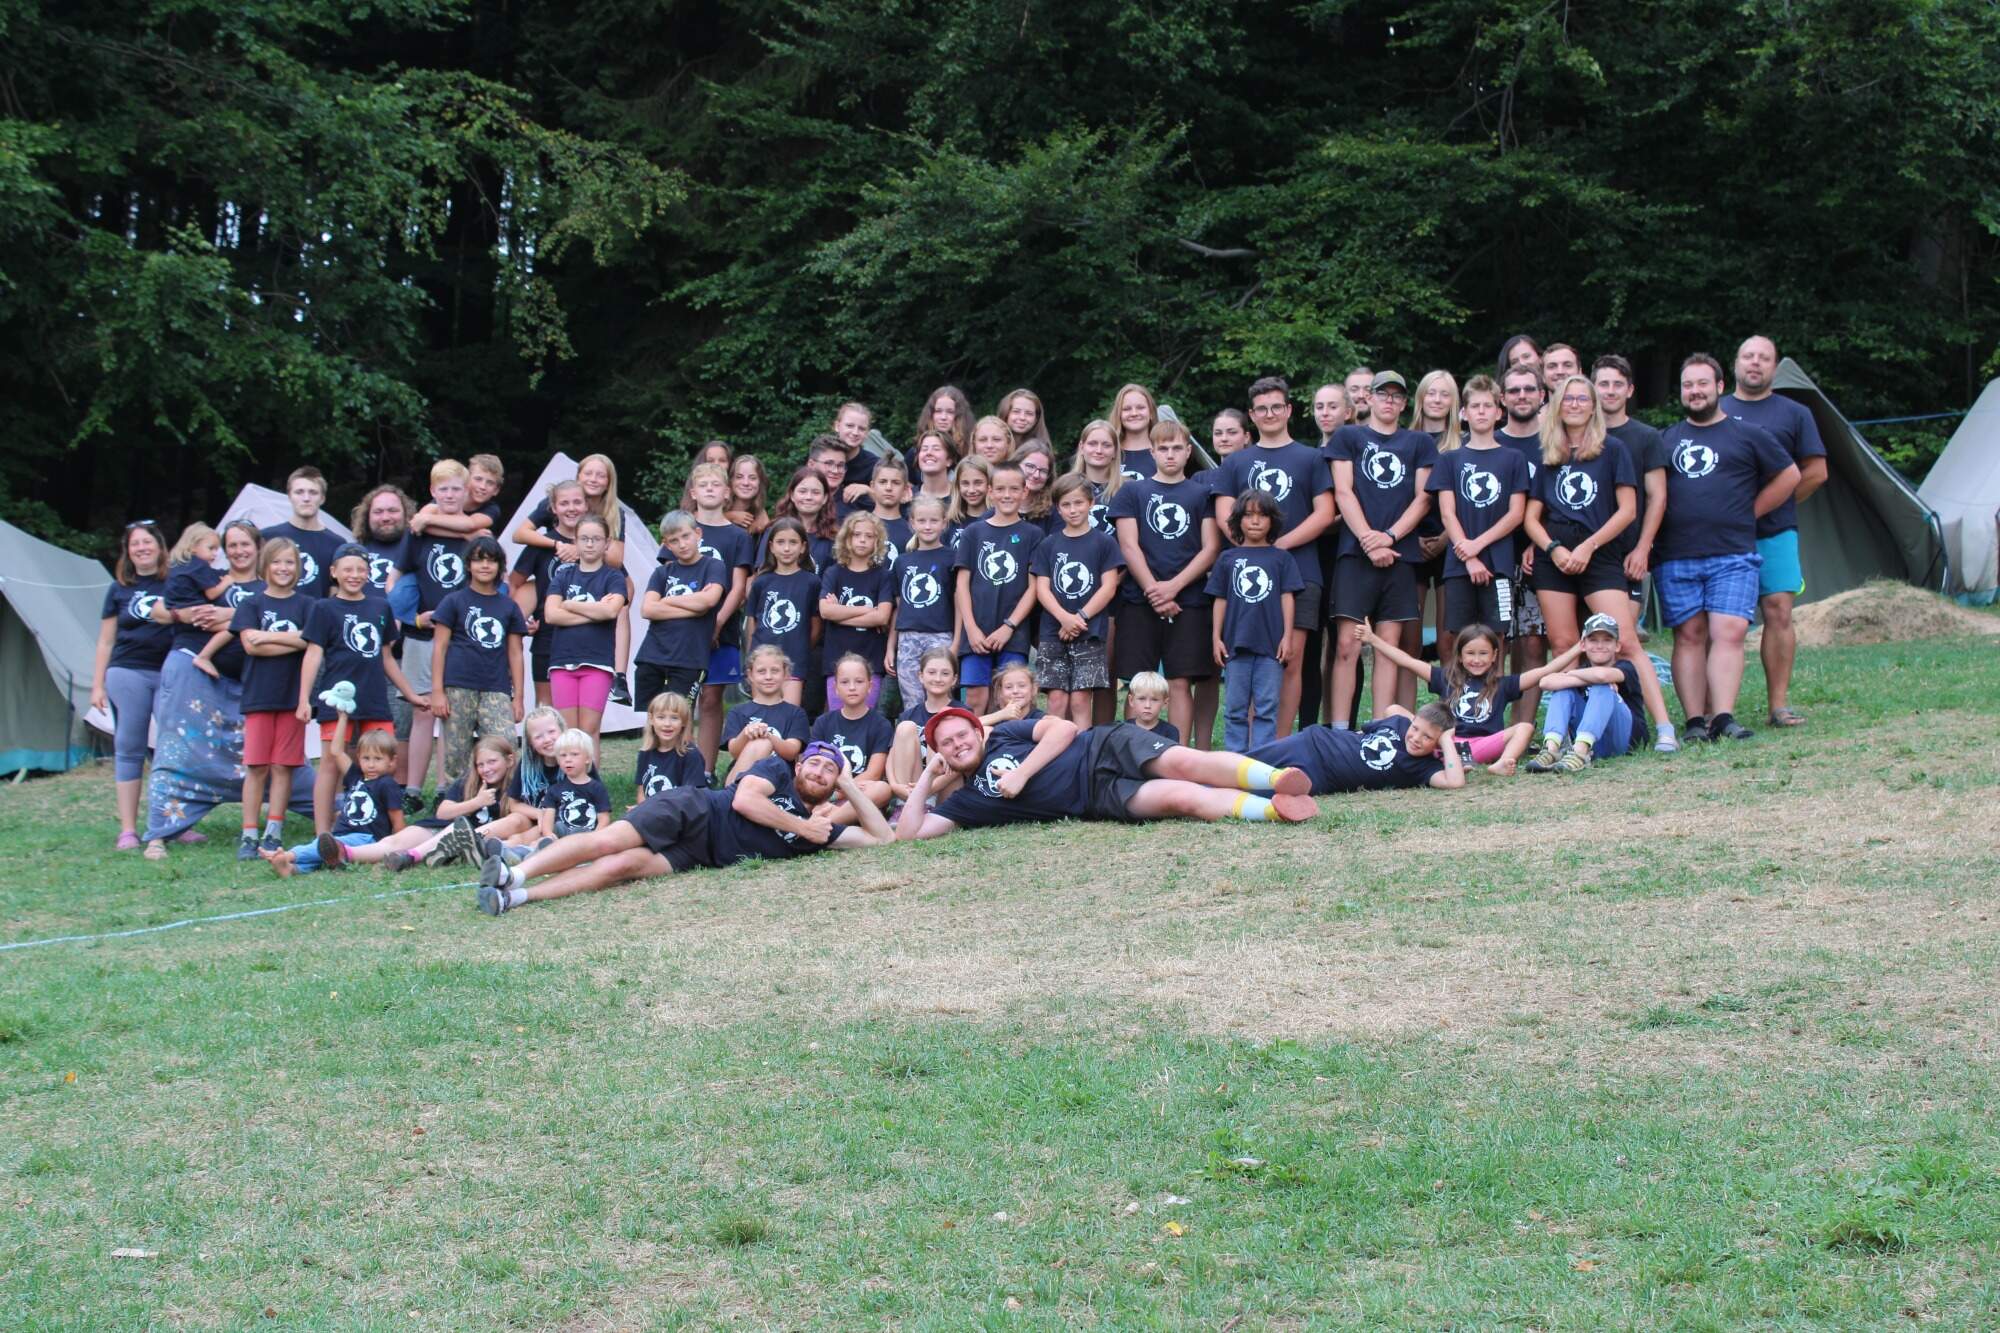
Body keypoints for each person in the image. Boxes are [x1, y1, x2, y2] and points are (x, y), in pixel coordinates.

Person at [475, 743, 895, 914]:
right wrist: (801, 827)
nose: (819, 771)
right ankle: (516, 872)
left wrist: (848, 785)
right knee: (608, 842)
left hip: (700, 854)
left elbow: (883, 838)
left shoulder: (823, 829)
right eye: (814, 763)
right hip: (694, 810)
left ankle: (514, 897)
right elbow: (745, 800)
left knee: (620, 867)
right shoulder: (778, 772)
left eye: (829, 771)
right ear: (799, 765)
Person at [896, 707, 1319, 840]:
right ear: (940, 753)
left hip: (1102, 746)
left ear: (977, 731)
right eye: (946, 743)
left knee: (1186, 763)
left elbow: (1064, 729)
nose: (957, 744)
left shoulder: (1006, 734)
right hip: (1097, 798)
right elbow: (909, 834)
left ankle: (1276, 780)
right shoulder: (968, 801)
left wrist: (1022, 773)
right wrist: (929, 777)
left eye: (962, 734)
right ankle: (1275, 810)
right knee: (1181, 798)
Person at [1656, 354, 1800, 741]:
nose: (1695, 391)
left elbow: (1790, 475)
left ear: (1720, 387)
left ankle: (1723, 716)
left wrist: (1751, 512)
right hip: (1677, 554)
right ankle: (1694, 722)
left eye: (1703, 383)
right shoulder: (1665, 439)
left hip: (1733, 553)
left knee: (1730, 631)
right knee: (1688, 635)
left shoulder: (1748, 434)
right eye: (1688, 385)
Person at [1213, 377, 1334, 739]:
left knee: (1289, 659)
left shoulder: (1311, 458)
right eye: (1262, 409)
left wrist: (1276, 547)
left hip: (1301, 572)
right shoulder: (1236, 462)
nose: (1269, 414)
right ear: (1252, 415)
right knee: (1250, 661)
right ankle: (1249, 748)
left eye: (1276, 407)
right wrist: (1256, 550)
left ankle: (1277, 747)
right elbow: (1224, 513)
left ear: (1288, 410)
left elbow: (1324, 513)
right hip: (1246, 580)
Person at [1721, 334, 1829, 728]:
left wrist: (1773, 503)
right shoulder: (1715, 409)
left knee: (1779, 611)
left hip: (1776, 531)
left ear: (1774, 366)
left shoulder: (1795, 413)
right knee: (1718, 621)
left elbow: (1816, 472)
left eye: (1764, 358)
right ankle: (1715, 710)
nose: (1755, 363)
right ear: (1735, 363)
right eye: (1748, 355)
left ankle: (1778, 706)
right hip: (1720, 535)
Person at [1327, 370, 1436, 723]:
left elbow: (1424, 499)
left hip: (1400, 555)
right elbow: (1343, 492)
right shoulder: (1348, 437)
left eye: (1396, 396)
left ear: (1404, 403)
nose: (1389, 401)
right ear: (1369, 398)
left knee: (1388, 647)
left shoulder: (1419, 442)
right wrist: (1368, 540)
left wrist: (1389, 537)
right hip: (1354, 555)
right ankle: (1341, 732)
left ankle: (1381, 728)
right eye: (1383, 394)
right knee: (1347, 645)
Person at [1110, 419, 1223, 749]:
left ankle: (1180, 754)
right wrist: (1154, 590)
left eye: (1176, 448)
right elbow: (1128, 546)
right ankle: (1135, 752)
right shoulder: (1132, 492)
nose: (1170, 454)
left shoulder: (1202, 494)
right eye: (1163, 448)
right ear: (1152, 452)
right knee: (1139, 682)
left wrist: (1173, 587)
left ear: (1188, 452)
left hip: (1189, 601)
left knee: (1180, 681)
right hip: (1139, 599)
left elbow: (1211, 548)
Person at [1354, 619, 1585, 775]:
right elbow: (1407, 661)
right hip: (1443, 742)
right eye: (1470, 653)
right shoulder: (1445, 678)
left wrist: (1577, 648)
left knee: (1525, 727)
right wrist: (1373, 640)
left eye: (1483, 653)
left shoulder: (1503, 685)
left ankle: (1501, 764)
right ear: (1460, 656)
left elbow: (1544, 671)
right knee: (1393, 710)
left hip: (1482, 746)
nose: (1476, 659)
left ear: (1494, 656)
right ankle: (1447, 760)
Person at [299, 544, 423, 833]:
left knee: (382, 762)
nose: (354, 575)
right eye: (348, 570)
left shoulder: (380, 606)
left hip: (374, 697)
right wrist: (304, 699)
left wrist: (410, 694)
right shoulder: (323, 608)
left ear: (369, 573)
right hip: (337, 699)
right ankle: (323, 832)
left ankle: (382, 828)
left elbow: (387, 657)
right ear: (334, 572)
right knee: (331, 762)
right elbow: (313, 654)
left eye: (360, 570)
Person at [1593, 356, 1676, 753]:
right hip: (1582, 559)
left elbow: (1657, 497)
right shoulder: (1575, 435)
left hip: (1626, 557)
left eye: (1616, 384)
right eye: (1602, 383)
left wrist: (1643, 547)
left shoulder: (1645, 437)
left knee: (1625, 643)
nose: (1609, 391)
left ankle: (1660, 727)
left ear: (1629, 390)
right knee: (1585, 644)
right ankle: (1598, 728)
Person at [215, 538, 309, 857]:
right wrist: (294, 640)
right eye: (277, 562)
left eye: (289, 562)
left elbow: (311, 642)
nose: (283, 568)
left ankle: (273, 831)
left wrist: (268, 635)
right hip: (259, 695)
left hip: (292, 696)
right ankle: (249, 834)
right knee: (256, 766)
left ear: (298, 567)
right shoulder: (251, 605)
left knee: (283, 766)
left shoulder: (307, 605)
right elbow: (251, 646)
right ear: (265, 566)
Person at [1429, 374, 1529, 659]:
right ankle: (1460, 690)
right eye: (1475, 406)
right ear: (1463, 413)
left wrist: (1477, 546)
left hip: (1499, 565)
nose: (1482, 412)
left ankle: (1494, 690)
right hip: (1459, 565)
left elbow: (1516, 514)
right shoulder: (1449, 459)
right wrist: (1469, 556)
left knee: (1497, 638)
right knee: (1458, 638)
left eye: (1488, 406)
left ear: (1499, 412)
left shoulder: (1514, 458)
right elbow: (1447, 513)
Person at [93, 521, 174, 849]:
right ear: (128, 551)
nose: (142, 548)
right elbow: (105, 641)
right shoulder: (118, 589)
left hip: (168, 673)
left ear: (159, 547)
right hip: (127, 673)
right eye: (135, 544)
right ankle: (128, 829)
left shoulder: (175, 582)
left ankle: (174, 823)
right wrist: (97, 686)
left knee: (172, 748)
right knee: (130, 746)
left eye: (147, 542)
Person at [402, 459, 476, 807]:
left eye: (455, 489)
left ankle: (448, 787)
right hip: (423, 633)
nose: (449, 495)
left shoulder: (475, 534)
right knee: (422, 710)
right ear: (432, 491)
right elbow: (399, 580)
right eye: (443, 489)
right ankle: (412, 790)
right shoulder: (418, 533)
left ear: (466, 492)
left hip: (460, 636)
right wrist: (412, 617)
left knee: (452, 711)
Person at [1208, 490, 1302, 752]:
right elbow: (1220, 599)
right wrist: (1216, 637)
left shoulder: (1282, 558)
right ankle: (1235, 761)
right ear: (1238, 520)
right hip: (1235, 647)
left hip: (1271, 647)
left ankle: (1262, 760)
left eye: (1262, 515)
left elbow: (1287, 597)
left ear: (1273, 521)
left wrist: (1287, 636)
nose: (1255, 521)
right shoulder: (1227, 559)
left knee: (1266, 709)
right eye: (1248, 515)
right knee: (1234, 709)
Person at [429, 535, 528, 785]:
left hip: (496, 687)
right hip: (458, 686)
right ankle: (458, 802)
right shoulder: (453, 601)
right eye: (478, 560)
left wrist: (518, 697)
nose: (485, 565)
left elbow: (515, 653)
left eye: (491, 561)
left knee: (505, 745)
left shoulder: (509, 607)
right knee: (457, 753)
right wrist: (437, 692)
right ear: (468, 565)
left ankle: (504, 800)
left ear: (500, 566)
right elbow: (439, 648)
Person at [1032, 474, 1125, 724]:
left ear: (1091, 503)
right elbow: (1042, 589)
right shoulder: (1048, 544)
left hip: (1090, 631)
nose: (1073, 510)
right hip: (1053, 631)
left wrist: (1080, 617)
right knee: (1057, 700)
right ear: (1057, 508)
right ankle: (1054, 745)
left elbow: (1109, 587)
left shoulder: (1105, 543)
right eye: (1066, 504)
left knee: (1080, 700)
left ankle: (1082, 748)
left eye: (1078, 503)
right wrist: (1064, 618)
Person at [263, 709, 402, 876]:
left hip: (366, 838)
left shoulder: (387, 784)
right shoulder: (355, 776)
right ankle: (293, 869)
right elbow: (336, 751)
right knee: (324, 855)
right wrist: (342, 718)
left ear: (391, 761)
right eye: (366, 758)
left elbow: (397, 820)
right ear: (359, 757)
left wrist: (399, 845)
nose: (371, 765)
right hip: (341, 835)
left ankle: (288, 856)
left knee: (322, 846)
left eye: (378, 759)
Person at [356, 734, 518, 872]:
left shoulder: (517, 786)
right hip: (441, 827)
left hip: (472, 838)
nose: (486, 769)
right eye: (480, 765)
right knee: (392, 842)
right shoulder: (469, 781)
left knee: (454, 832)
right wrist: (476, 802)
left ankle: (410, 857)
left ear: (509, 761)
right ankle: (347, 853)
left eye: (492, 762)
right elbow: (443, 813)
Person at [953, 459, 1040, 712]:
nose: (1007, 495)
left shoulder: (1033, 534)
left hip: (1014, 633)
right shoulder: (973, 533)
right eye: (1000, 489)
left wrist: (1009, 626)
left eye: (1014, 489)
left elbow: (1034, 587)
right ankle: (975, 738)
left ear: (1025, 491)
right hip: (976, 631)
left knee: (1012, 696)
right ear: (990, 492)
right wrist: (971, 629)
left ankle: (1008, 738)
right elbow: (962, 585)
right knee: (975, 696)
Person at [687, 461, 756, 761]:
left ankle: (705, 769)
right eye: (703, 485)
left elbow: (738, 587)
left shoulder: (738, 536)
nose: (709, 490)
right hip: (683, 629)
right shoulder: (683, 528)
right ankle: (679, 766)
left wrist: (715, 623)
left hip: (722, 627)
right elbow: (670, 579)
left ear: (727, 493)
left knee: (711, 698)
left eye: (715, 485)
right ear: (693, 493)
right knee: (682, 699)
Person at [1524, 613, 1653, 772]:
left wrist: (1569, 676)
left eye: (1607, 640)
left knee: (1602, 687)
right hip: (1595, 743)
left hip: (1623, 740)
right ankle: (1551, 748)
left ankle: (1580, 752)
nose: (1600, 645)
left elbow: (1602, 676)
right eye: (1593, 640)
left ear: (1617, 646)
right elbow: (1545, 682)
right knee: (1563, 691)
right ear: (1583, 645)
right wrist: (1578, 676)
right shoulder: (1582, 671)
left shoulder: (1626, 667)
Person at [1496, 364, 1553, 721]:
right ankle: (1487, 730)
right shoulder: (1488, 441)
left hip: (1538, 556)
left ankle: (1523, 728)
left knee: (1533, 643)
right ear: (1502, 399)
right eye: (1514, 390)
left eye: (1529, 389)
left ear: (1542, 395)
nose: (1522, 396)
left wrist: (1539, 539)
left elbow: (1562, 501)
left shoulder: (1554, 443)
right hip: (1494, 558)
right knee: (1493, 643)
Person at [1248, 702, 1466, 794]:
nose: (1416, 738)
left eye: (1427, 737)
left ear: (1438, 742)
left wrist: (1446, 741)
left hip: (1322, 776)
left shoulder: (1423, 767)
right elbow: (1393, 709)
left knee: (1257, 789)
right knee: (1245, 762)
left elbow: (1454, 782)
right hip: (1313, 742)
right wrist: (1421, 723)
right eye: (1416, 728)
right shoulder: (1400, 724)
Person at [543, 514, 628, 750]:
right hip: (562, 662)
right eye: (584, 539)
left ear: (607, 543)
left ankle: (591, 775)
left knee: (589, 730)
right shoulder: (563, 575)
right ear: (575, 541)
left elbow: (611, 611)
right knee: (568, 732)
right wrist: (595, 609)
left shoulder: (613, 577)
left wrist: (570, 604)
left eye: (596, 539)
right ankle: (569, 775)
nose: (590, 544)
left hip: (597, 662)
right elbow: (551, 615)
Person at [509, 479, 587, 709]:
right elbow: (513, 584)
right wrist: (519, 620)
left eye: (577, 502)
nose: (571, 508)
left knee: (579, 708)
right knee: (546, 709)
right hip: (547, 637)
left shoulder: (595, 543)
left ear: (587, 506)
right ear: (553, 508)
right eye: (564, 503)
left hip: (587, 635)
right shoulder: (539, 545)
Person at [818, 512, 895, 711]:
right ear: (847, 538)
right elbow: (825, 611)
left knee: (865, 716)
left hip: (871, 659)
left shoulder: (883, 576)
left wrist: (839, 614)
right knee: (838, 715)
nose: (862, 540)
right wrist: (865, 610)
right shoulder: (833, 573)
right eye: (857, 534)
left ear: (877, 541)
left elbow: (882, 617)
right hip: (836, 658)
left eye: (869, 536)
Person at [888, 495, 956, 704]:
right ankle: (913, 726)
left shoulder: (952, 558)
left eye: (934, 521)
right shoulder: (902, 562)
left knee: (940, 695)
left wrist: (956, 643)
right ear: (912, 523)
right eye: (922, 521)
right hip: (908, 638)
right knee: (911, 699)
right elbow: (899, 607)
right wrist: (891, 647)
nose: (927, 526)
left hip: (941, 635)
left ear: (944, 523)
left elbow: (960, 604)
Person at [745, 517, 819, 706]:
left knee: (788, 714)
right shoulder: (761, 582)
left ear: (803, 547)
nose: (786, 548)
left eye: (793, 542)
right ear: (771, 546)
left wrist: (801, 648)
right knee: (762, 713)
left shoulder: (812, 582)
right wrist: (751, 658)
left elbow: (816, 627)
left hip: (794, 660)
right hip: (762, 660)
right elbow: (753, 623)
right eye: (780, 542)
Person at [811, 653, 895, 809]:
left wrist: (839, 794)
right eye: (844, 682)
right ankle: (831, 814)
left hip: (860, 793)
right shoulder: (823, 722)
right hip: (827, 789)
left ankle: (829, 816)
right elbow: (814, 766)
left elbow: (874, 773)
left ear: (870, 686)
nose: (852, 687)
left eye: (859, 681)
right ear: (835, 688)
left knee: (882, 789)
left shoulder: (881, 725)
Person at [722, 645, 811, 782]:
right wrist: (746, 733)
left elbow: (792, 752)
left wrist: (767, 736)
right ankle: (733, 792)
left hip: (779, 780)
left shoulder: (796, 713)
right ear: (750, 675)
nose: (768, 677)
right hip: (742, 776)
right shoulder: (737, 712)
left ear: (786, 674)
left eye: (775, 671)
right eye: (761, 671)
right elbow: (734, 752)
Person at [261, 467, 344, 600]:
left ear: (322, 498)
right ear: (289, 496)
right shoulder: (267, 537)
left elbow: (336, 593)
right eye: (299, 492)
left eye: (313, 492)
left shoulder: (337, 544)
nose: (306, 498)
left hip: (316, 612)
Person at [888, 646, 959, 802]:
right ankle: (903, 805)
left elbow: (963, 763)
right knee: (905, 727)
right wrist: (894, 785)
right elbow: (892, 755)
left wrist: (926, 790)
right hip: (912, 785)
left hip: (943, 787)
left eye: (945, 673)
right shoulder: (909, 715)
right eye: (931, 672)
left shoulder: (962, 711)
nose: (938, 679)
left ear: (954, 679)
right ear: (921, 676)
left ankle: (927, 804)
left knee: (941, 721)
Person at [538, 728, 612, 840]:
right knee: (558, 827)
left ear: (587, 758)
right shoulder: (554, 790)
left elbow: (604, 819)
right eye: (563, 755)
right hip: (561, 836)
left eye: (574, 754)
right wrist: (548, 834)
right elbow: (547, 819)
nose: (568, 759)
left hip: (588, 836)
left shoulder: (597, 788)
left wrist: (595, 837)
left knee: (580, 832)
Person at [633, 691, 707, 801]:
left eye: (674, 718)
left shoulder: (691, 755)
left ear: (684, 721)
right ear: (651, 719)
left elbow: (691, 799)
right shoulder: (645, 753)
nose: (667, 724)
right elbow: (641, 793)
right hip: (651, 810)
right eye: (661, 717)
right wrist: (641, 808)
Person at [350, 484, 413, 597]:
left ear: (406, 514)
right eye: (378, 512)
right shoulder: (352, 554)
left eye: (392, 511)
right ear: (367, 516)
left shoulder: (419, 551)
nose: (385, 518)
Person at [771, 467, 839, 572]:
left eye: (815, 492)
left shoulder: (835, 538)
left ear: (825, 498)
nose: (808, 497)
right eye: (802, 491)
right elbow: (762, 574)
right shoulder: (774, 532)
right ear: (792, 495)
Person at [866, 458, 913, 563]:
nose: (888, 487)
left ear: (905, 489)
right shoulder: (859, 526)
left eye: (896, 483)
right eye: (882, 482)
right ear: (872, 486)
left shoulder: (912, 531)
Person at [1111, 383, 1159, 480]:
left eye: (1140, 407)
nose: (1134, 413)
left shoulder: (1165, 453)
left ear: (1151, 413)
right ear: (1118, 415)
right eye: (1127, 409)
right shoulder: (1108, 452)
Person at [915, 385, 975, 460]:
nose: (943, 417)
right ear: (930, 415)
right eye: (938, 411)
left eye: (950, 412)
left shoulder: (970, 452)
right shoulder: (916, 452)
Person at [1123, 671, 1180, 743]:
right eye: (1142, 699)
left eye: (1154, 700)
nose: (1148, 705)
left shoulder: (1170, 732)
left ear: (1165, 703)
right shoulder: (1123, 730)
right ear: (1131, 700)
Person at [725, 454, 771, 538]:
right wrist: (728, 516)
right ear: (731, 480)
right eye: (739, 477)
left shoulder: (762, 519)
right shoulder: (717, 506)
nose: (746, 483)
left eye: (752, 478)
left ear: (760, 482)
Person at [998, 388, 1052, 453]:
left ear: (1036, 418)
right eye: (1016, 411)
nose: (1022, 417)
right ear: (1005, 413)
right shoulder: (991, 446)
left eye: (1029, 413)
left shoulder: (1039, 452)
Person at [911, 431, 956, 507]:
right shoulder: (907, 497)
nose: (928, 453)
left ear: (949, 460)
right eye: (924, 449)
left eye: (936, 449)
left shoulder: (961, 497)